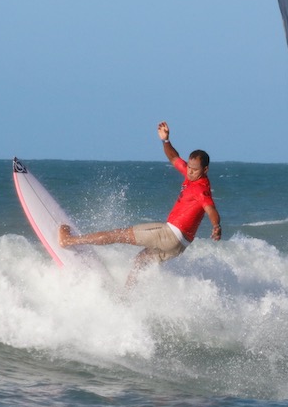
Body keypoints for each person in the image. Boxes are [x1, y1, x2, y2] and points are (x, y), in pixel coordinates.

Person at [60, 121, 222, 287]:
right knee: (141, 261)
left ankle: (69, 241)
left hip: (170, 234)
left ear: (205, 170)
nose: (190, 171)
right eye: (189, 167)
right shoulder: (190, 175)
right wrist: (165, 140)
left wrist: (216, 226)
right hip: (180, 245)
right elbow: (173, 157)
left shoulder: (201, 188)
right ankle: (126, 296)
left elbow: (210, 209)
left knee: (118, 235)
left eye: (195, 170)